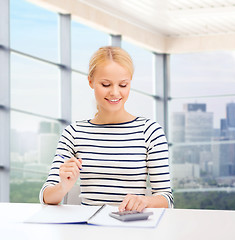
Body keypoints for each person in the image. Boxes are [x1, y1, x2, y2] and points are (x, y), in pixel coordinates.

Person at [39, 46, 173, 211]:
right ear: (91, 82)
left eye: (123, 85)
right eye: (106, 84)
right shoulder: (73, 133)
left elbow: (166, 198)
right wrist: (64, 186)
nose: (115, 92)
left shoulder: (150, 132)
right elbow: (46, 196)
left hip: (132, 229)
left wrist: (145, 201)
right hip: (88, 231)